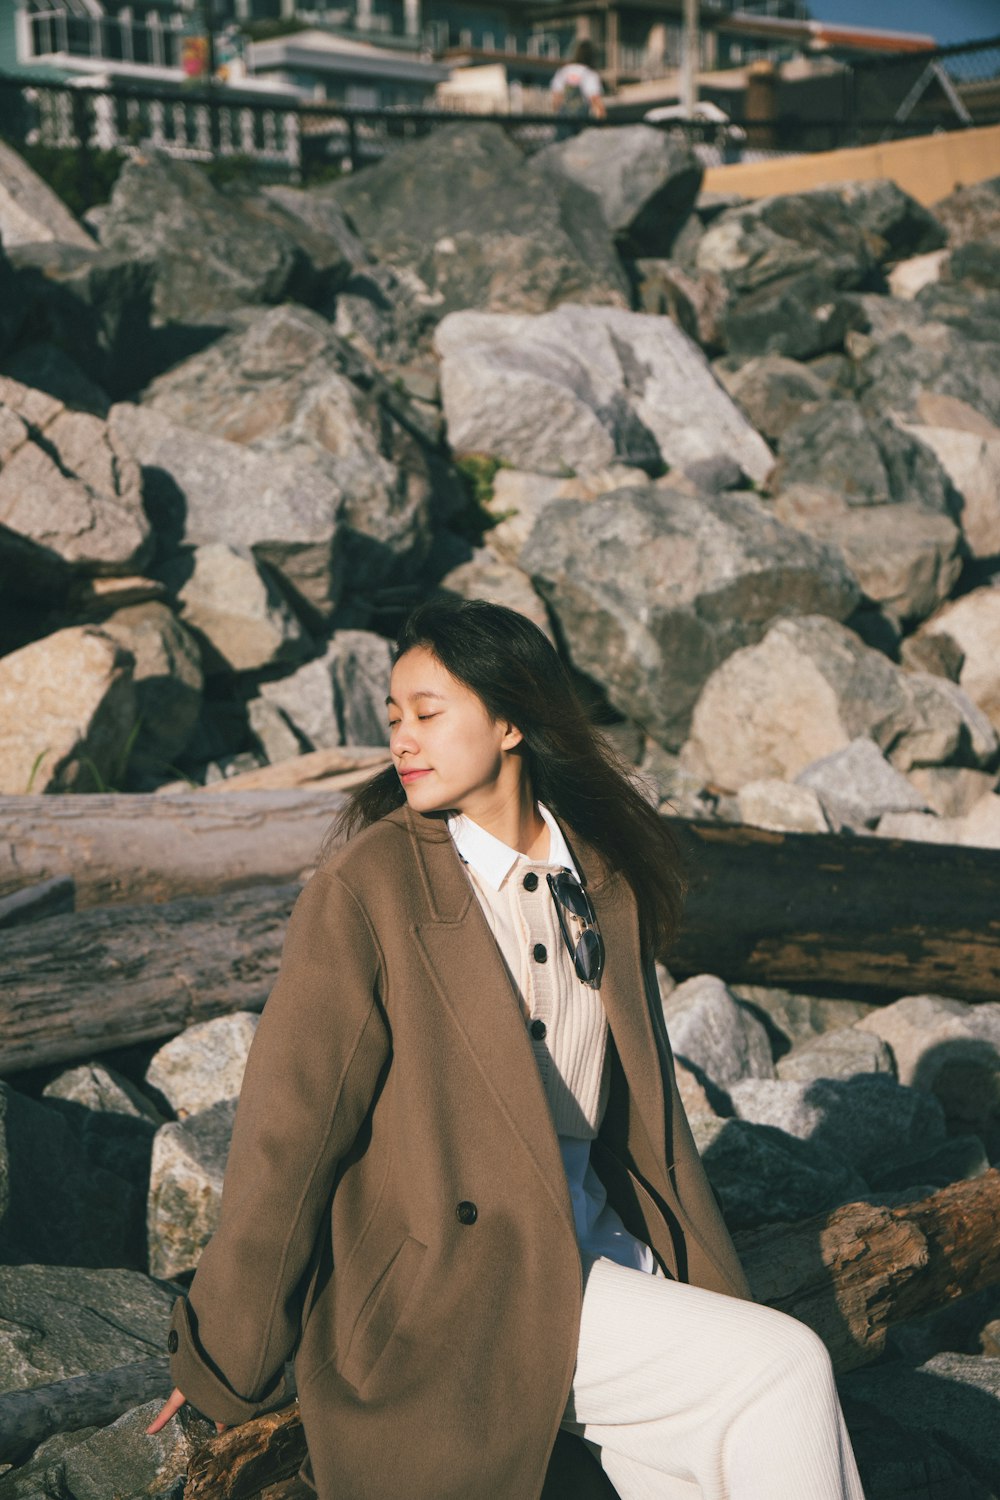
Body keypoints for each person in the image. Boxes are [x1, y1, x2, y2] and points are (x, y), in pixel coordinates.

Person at [148, 599, 865, 1500]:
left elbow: (649, 1129)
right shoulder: (370, 884)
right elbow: (290, 1135)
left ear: (512, 719)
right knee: (780, 1368)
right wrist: (224, 1356)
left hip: (598, 1244)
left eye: (429, 713)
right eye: (395, 717)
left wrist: (708, 1276)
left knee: (712, 1450)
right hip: (459, 1283)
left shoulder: (599, 882)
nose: (404, 740)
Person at [550, 38, 607, 137]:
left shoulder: (563, 72)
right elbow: (596, 102)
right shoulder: (590, 75)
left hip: (562, 122)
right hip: (580, 124)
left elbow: (556, 101)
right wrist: (604, 125)